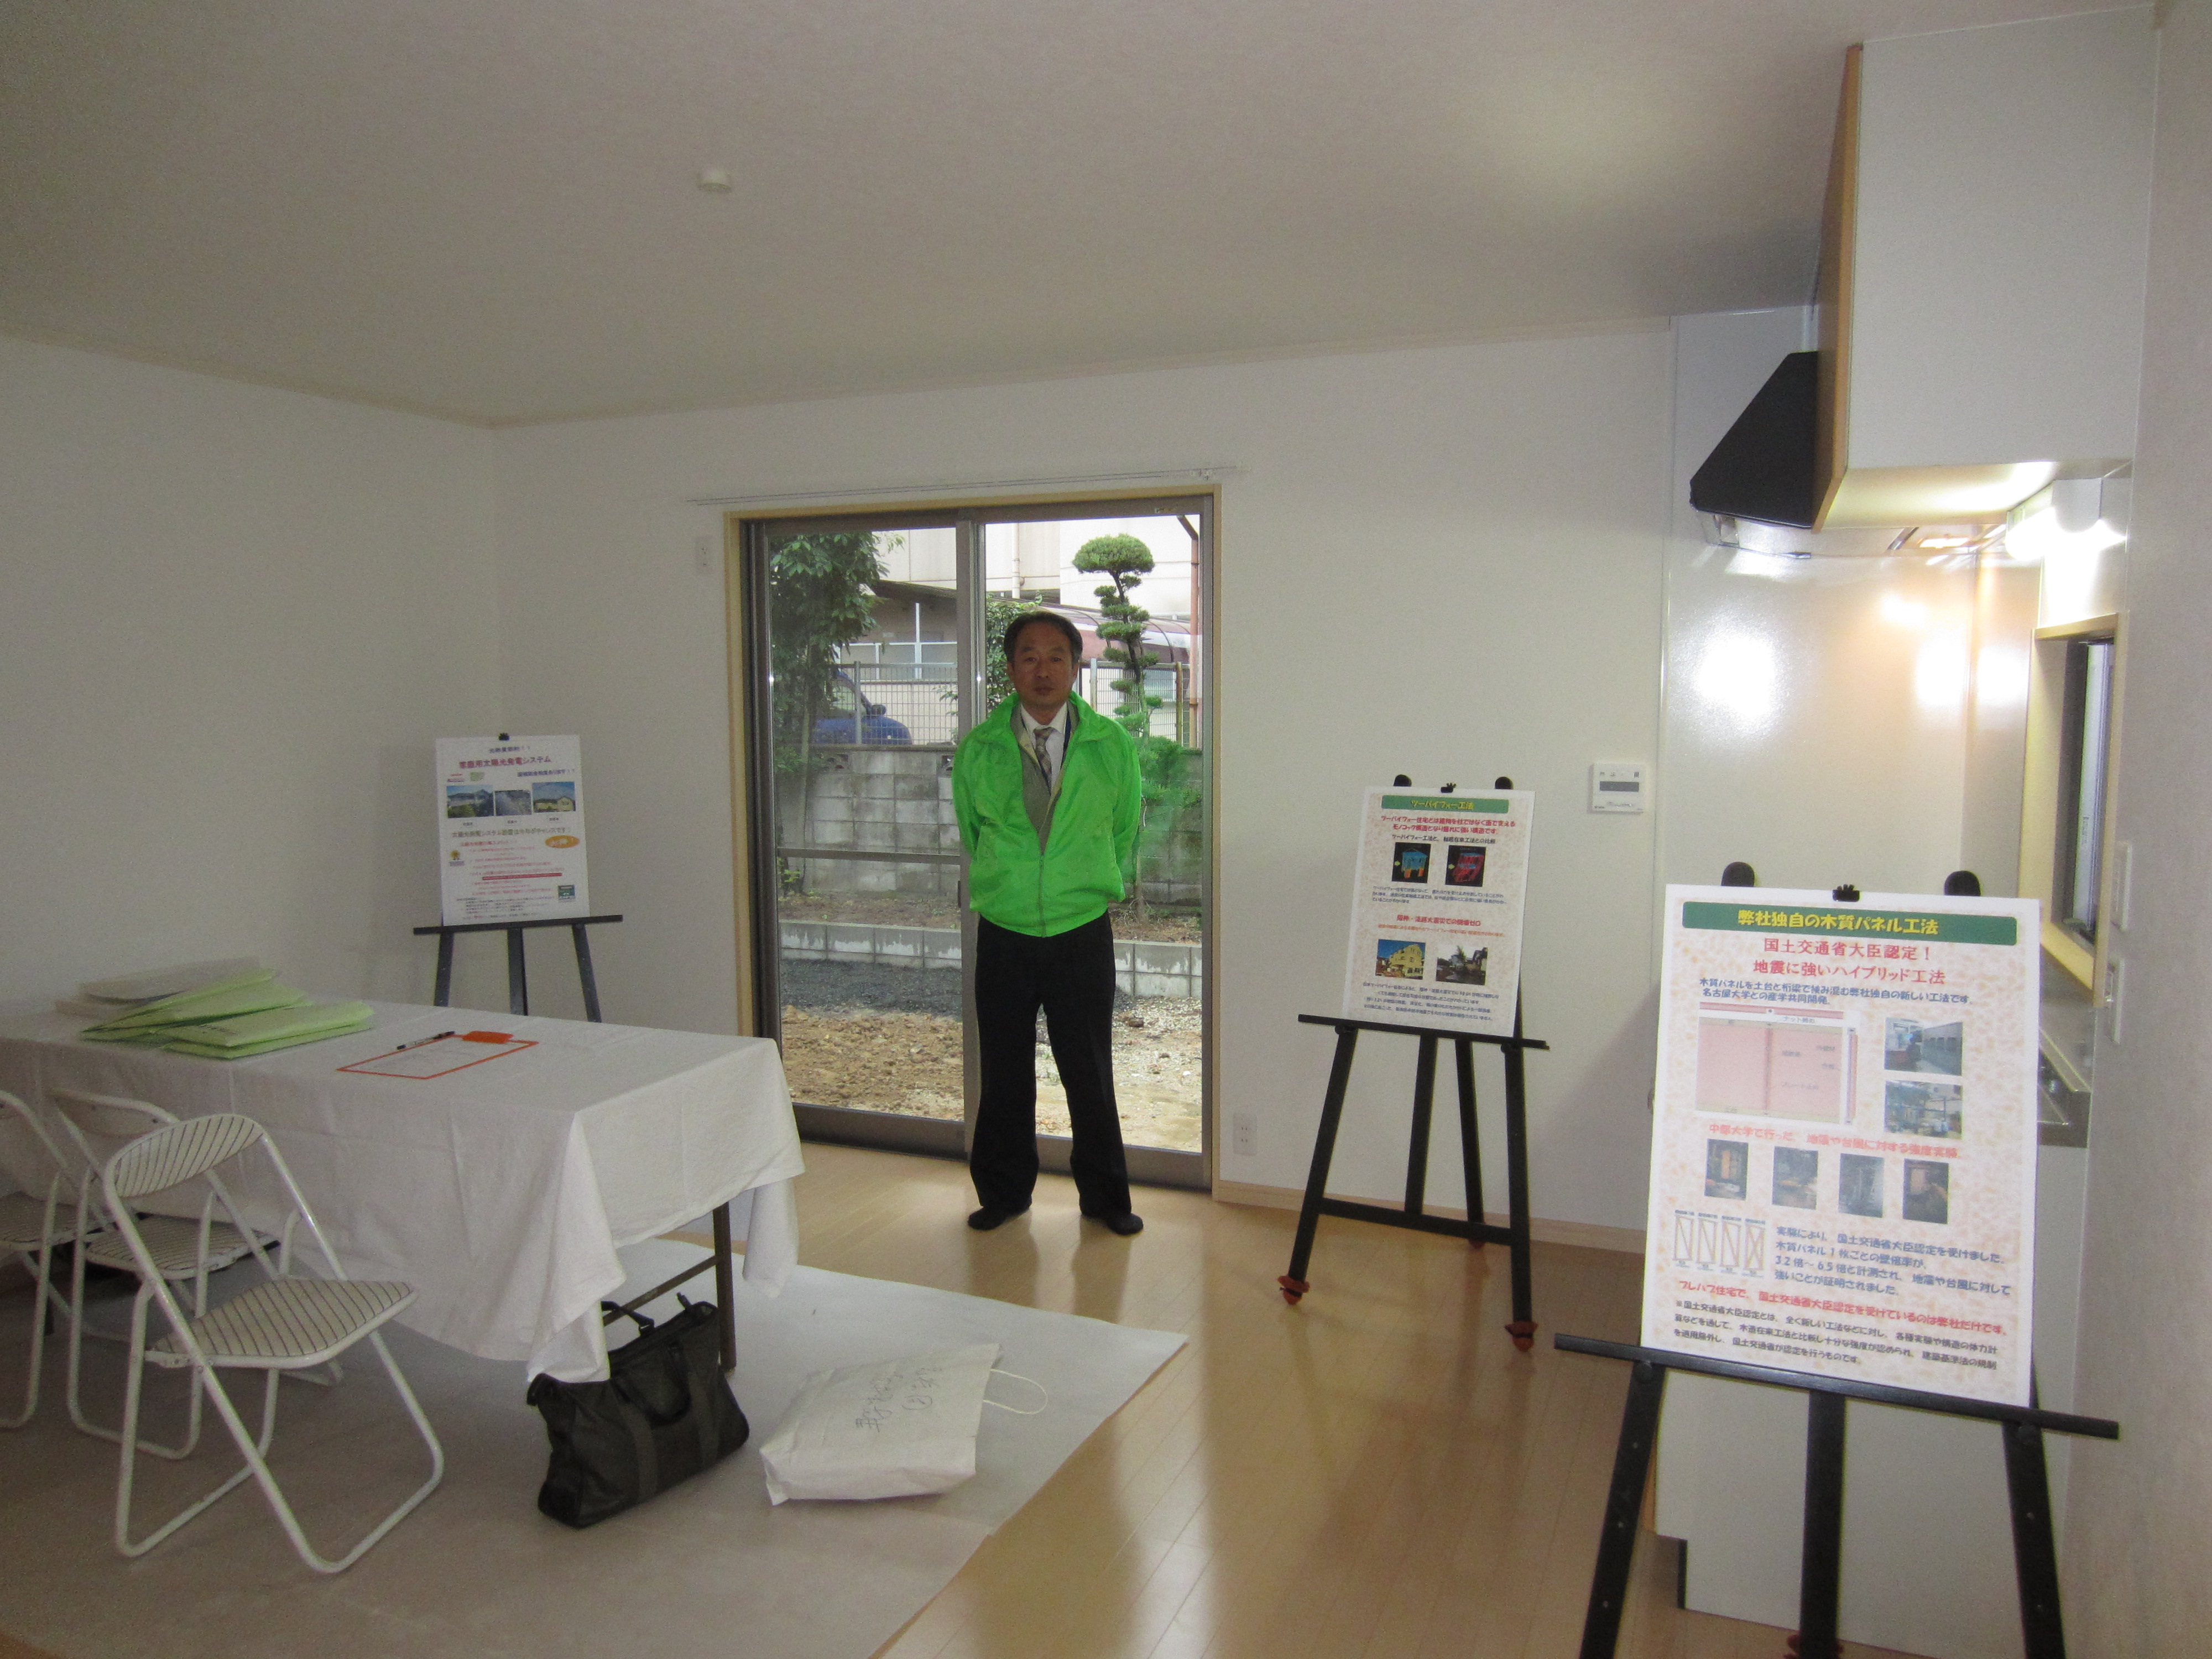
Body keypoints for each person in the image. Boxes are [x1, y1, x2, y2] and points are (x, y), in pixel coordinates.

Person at [951, 610, 1144, 1236]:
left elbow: (1124, 828)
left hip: (1079, 928)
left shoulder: (1110, 744)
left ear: (1075, 668)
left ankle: (1106, 1199)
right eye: (1029, 657)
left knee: (1089, 1070)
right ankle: (1004, 1194)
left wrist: (1081, 877)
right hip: (1005, 931)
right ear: (1010, 669)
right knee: (1004, 1070)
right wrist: (1012, 881)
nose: (1043, 669)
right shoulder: (980, 748)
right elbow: (973, 830)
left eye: (1056, 656)